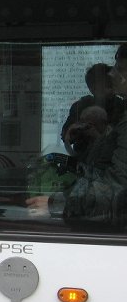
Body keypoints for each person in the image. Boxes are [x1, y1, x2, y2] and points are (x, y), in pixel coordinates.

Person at [28, 45, 127, 225]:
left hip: (103, 201)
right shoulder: (81, 105)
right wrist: (73, 133)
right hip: (88, 175)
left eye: (118, 69)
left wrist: (59, 204)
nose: (112, 75)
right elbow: (67, 134)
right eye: (95, 84)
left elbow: (119, 183)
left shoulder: (121, 109)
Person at [60, 62, 125, 153]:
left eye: (112, 84)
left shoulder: (120, 105)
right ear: (92, 89)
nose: (111, 90)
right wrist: (79, 130)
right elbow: (66, 136)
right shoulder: (81, 106)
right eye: (106, 86)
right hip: (85, 159)